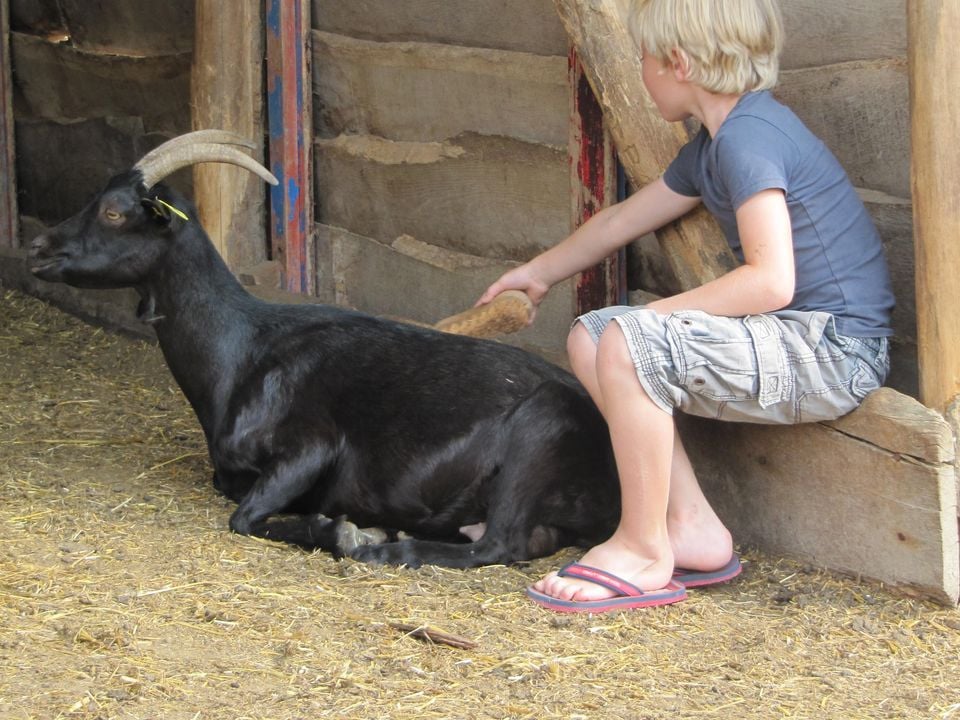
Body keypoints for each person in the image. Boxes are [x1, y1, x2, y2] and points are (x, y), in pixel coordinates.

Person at [476, 0, 894, 613]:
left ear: (677, 63)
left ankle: (643, 549)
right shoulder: (714, 145)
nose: (642, 71)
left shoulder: (749, 140)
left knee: (627, 337)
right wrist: (538, 273)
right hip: (800, 340)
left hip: (834, 349)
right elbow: (622, 218)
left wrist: (651, 320)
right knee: (593, 335)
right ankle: (690, 526)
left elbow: (771, 281)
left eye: (644, 58)